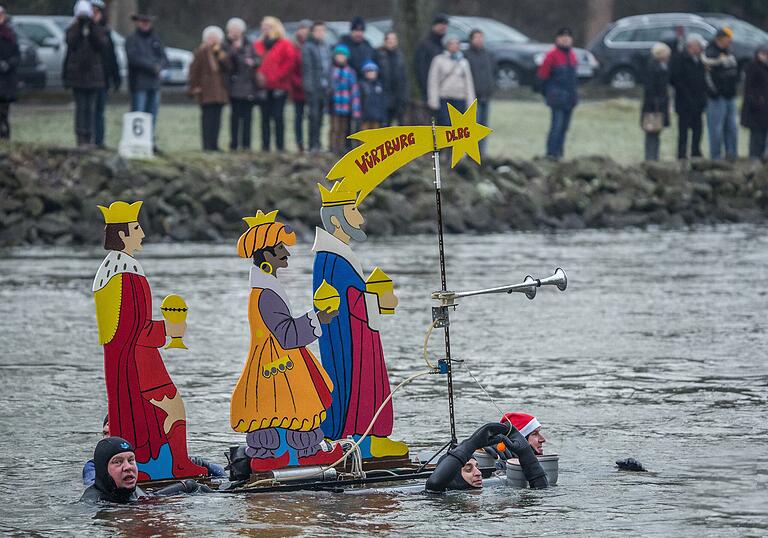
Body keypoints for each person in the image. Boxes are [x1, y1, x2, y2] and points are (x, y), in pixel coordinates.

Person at [92, 200, 208, 480]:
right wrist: (169, 328)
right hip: (138, 360)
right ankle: (173, 464)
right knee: (170, 406)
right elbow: (135, 329)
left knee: (142, 413)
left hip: (126, 358)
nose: (142, 233)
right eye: (136, 228)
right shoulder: (126, 275)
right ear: (122, 235)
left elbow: (124, 329)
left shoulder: (112, 274)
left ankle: (154, 462)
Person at [230, 209, 343, 472]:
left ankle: (274, 454)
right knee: (296, 405)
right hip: (278, 362)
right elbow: (285, 334)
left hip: (274, 359)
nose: (287, 253)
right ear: (267, 255)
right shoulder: (265, 294)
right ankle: (302, 453)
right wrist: (318, 318)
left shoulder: (264, 288)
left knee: (276, 408)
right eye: (281, 248)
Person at [312, 184, 407, 459]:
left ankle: (366, 438)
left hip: (359, 334)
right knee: (357, 384)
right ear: (334, 220)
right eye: (353, 211)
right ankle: (364, 441)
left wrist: (374, 299)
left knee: (367, 383)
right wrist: (376, 299)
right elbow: (343, 299)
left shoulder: (337, 255)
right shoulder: (331, 258)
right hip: (349, 340)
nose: (360, 218)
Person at [83, 416, 225, 485]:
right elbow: (93, 485)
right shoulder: (95, 465)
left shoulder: (162, 458)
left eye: (112, 432)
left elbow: (223, 476)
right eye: (105, 433)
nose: (108, 438)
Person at [81, 437, 212, 504]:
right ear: (103, 470)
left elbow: (153, 498)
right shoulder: (93, 503)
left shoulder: (134, 491)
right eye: (117, 462)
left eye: (131, 460)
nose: (128, 467)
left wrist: (189, 486)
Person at [425, 422, 548, 492]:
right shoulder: (444, 496)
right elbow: (434, 485)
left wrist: (526, 453)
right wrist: (472, 443)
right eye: (468, 469)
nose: (478, 473)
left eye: (476, 467)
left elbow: (540, 495)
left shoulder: (492, 492)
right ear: (452, 476)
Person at [63, 1, 107, 147]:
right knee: (80, 108)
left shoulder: (97, 29)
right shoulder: (73, 29)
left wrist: (92, 25)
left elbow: (101, 44)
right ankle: (80, 137)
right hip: (78, 76)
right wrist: (79, 25)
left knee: (91, 108)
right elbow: (71, 42)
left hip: (93, 77)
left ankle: (90, 136)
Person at [125, 13, 167, 150]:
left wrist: (159, 66)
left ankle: (149, 141)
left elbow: (164, 57)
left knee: (152, 115)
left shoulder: (156, 39)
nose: (145, 24)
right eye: (143, 22)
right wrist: (152, 67)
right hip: (139, 84)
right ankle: (136, 142)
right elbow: (133, 59)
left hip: (154, 84)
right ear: (138, 23)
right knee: (138, 114)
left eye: (147, 22)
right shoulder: (132, 39)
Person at [537, 27, 579, 161]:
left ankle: (560, 153)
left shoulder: (572, 55)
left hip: (570, 98)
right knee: (556, 127)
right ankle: (551, 153)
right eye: (563, 37)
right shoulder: (551, 55)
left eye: (568, 37)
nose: (566, 40)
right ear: (557, 39)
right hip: (557, 98)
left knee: (564, 128)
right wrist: (548, 93)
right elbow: (542, 76)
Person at [254, 16, 294, 152]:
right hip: (263, 87)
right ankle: (265, 146)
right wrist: (259, 76)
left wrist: (275, 77)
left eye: (268, 26)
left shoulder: (285, 44)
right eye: (263, 27)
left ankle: (280, 145)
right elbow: (255, 63)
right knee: (264, 117)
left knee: (278, 116)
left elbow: (289, 63)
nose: (265, 29)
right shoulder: (258, 45)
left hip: (279, 86)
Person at [188, 26, 230, 152]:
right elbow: (194, 71)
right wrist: (193, 87)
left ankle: (214, 144)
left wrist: (220, 55)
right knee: (207, 119)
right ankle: (206, 145)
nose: (213, 41)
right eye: (211, 38)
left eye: (215, 38)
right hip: (206, 92)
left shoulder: (221, 53)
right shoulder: (200, 52)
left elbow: (228, 67)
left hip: (220, 91)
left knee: (217, 119)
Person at [670, 34, 707, 160]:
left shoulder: (699, 61)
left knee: (698, 129)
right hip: (684, 102)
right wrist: (687, 96)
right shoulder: (680, 59)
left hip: (698, 101)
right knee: (683, 130)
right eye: (699, 46)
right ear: (691, 46)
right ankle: (681, 154)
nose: (701, 49)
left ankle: (696, 151)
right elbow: (676, 80)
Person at [703, 27, 739, 160]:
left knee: (732, 127)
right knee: (716, 129)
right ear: (720, 38)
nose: (730, 41)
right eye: (727, 38)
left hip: (730, 96)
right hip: (717, 98)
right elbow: (707, 76)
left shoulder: (730, 51)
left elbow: (735, 71)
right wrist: (714, 92)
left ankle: (732, 153)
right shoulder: (710, 53)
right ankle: (716, 156)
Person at [225, 17, 258, 152]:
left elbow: (257, 58)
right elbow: (226, 63)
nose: (235, 33)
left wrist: (254, 62)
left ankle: (246, 144)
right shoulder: (225, 44)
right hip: (234, 87)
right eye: (233, 30)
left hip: (249, 87)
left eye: (237, 30)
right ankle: (234, 144)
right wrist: (235, 51)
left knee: (248, 118)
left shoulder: (249, 43)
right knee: (235, 117)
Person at [90, 0, 120, 149]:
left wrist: (116, 77)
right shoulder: (86, 31)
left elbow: (111, 57)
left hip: (103, 79)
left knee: (100, 111)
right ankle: (88, 140)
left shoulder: (107, 33)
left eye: (97, 11)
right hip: (88, 79)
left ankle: (99, 141)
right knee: (89, 110)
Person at [427, 36, 475, 126]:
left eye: (457, 44)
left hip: (460, 98)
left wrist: (470, 101)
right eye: (452, 44)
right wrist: (433, 100)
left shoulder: (463, 62)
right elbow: (433, 81)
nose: (455, 46)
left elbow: (468, 82)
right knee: (445, 125)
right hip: (444, 98)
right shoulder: (438, 60)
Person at [302, 21, 331, 153]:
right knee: (313, 116)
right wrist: (309, 87)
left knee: (321, 117)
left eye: (322, 31)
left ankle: (319, 143)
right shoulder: (308, 47)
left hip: (324, 87)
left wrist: (330, 85)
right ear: (313, 32)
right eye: (318, 31)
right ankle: (312, 144)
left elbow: (329, 68)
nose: (321, 33)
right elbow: (307, 69)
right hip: (313, 87)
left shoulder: (326, 46)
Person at [464, 29, 494, 155]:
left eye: (481, 37)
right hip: (473, 97)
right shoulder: (466, 55)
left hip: (486, 96)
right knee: (473, 127)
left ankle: (482, 153)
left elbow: (493, 72)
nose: (480, 40)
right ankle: (472, 153)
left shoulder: (488, 54)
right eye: (477, 38)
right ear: (471, 39)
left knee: (484, 126)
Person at [641, 42, 671, 162]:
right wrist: (656, 102)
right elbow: (650, 88)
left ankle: (654, 156)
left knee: (656, 132)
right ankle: (650, 157)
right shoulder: (653, 67)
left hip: (660, 104)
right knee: (651, 132)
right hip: (653, 106)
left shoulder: (663, 67)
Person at [328, 44, 360, 154]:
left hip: (346, 105)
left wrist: (355, 108)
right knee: (334, 128)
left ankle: (341, 149)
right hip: (334, 104)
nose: (341, 58)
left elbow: (354, 90)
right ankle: (332, 147)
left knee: (343, 128)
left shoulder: (350, 72)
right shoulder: (331, 71)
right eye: (338, 55)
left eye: (343, 55)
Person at [740, 45, 768, 161]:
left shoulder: (765, 68)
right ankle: (754, 159)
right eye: (763, 54)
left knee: (762, 136)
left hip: (764, 110)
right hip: (756, 110)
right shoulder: (753, 67)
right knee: (757, 137)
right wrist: (756, 100)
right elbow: (749, 88)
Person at [414, 14, 449, 103]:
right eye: (441, 24)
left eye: (445, 25)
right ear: (434, 26)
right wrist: (425, 87)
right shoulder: (425, 44)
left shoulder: (443, 44)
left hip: (443, 90)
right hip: (429, 89)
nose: (443, 27)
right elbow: (420, 67)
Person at [376, 31, 408, 126]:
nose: (391, 42)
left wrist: (404, 96)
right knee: (385, 126)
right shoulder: (378, 55)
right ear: (385, 41)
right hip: (384, 96)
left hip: (398, 96)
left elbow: (404, 78)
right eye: (389, 39)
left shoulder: (400, 56)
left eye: (394, 39)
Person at [290, 20, 311, 152]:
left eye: (306, 29)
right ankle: (299, 143)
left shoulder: (311, 45)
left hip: (311, 89)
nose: (304, 31)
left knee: (312, 117)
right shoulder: (293, 47)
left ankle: (312, 143)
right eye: (302, 28)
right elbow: (291, 69)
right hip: (298, 89)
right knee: (298, 116)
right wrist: (300, 84)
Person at [0, 5, 20, 140]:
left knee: (3, 113)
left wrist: (9, 63)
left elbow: (17, 55)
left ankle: (5, 137)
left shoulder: (10, 34)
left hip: (6, 81)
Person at [359, 61, 387, 130]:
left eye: (372, 71)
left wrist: (383, 117)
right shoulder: (361, 85)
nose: (370, 73)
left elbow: (382, 102)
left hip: (376, 117)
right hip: (364, 118)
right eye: (368, 71)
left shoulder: (380, 86)